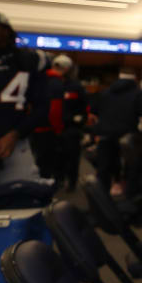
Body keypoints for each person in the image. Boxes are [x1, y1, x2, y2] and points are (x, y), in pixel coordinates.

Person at [0, 10, 51, 184]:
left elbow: (42, 107)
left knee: (22, 202)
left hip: (16, 145)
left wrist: (15, 134)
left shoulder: (29, 60)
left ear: (6, 31)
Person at [89, 68, 142, 193]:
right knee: (131, 167)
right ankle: (130, 198)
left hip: (105, 135)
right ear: (134, 78)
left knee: (104, 169)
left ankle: (102, 200)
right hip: (127, 137)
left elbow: (93, 115)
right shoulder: (139, 93)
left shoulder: (104, 92)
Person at [55, 55, 87, 191]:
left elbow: (84, 106)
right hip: (54, 127)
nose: (58, 70)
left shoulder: (76, 86)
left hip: (71, 128)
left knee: (72, 157)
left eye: (61, 67)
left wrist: (79, 122)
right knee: (56, 157)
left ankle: (72, 183)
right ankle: (58, 180)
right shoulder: (50, 84)